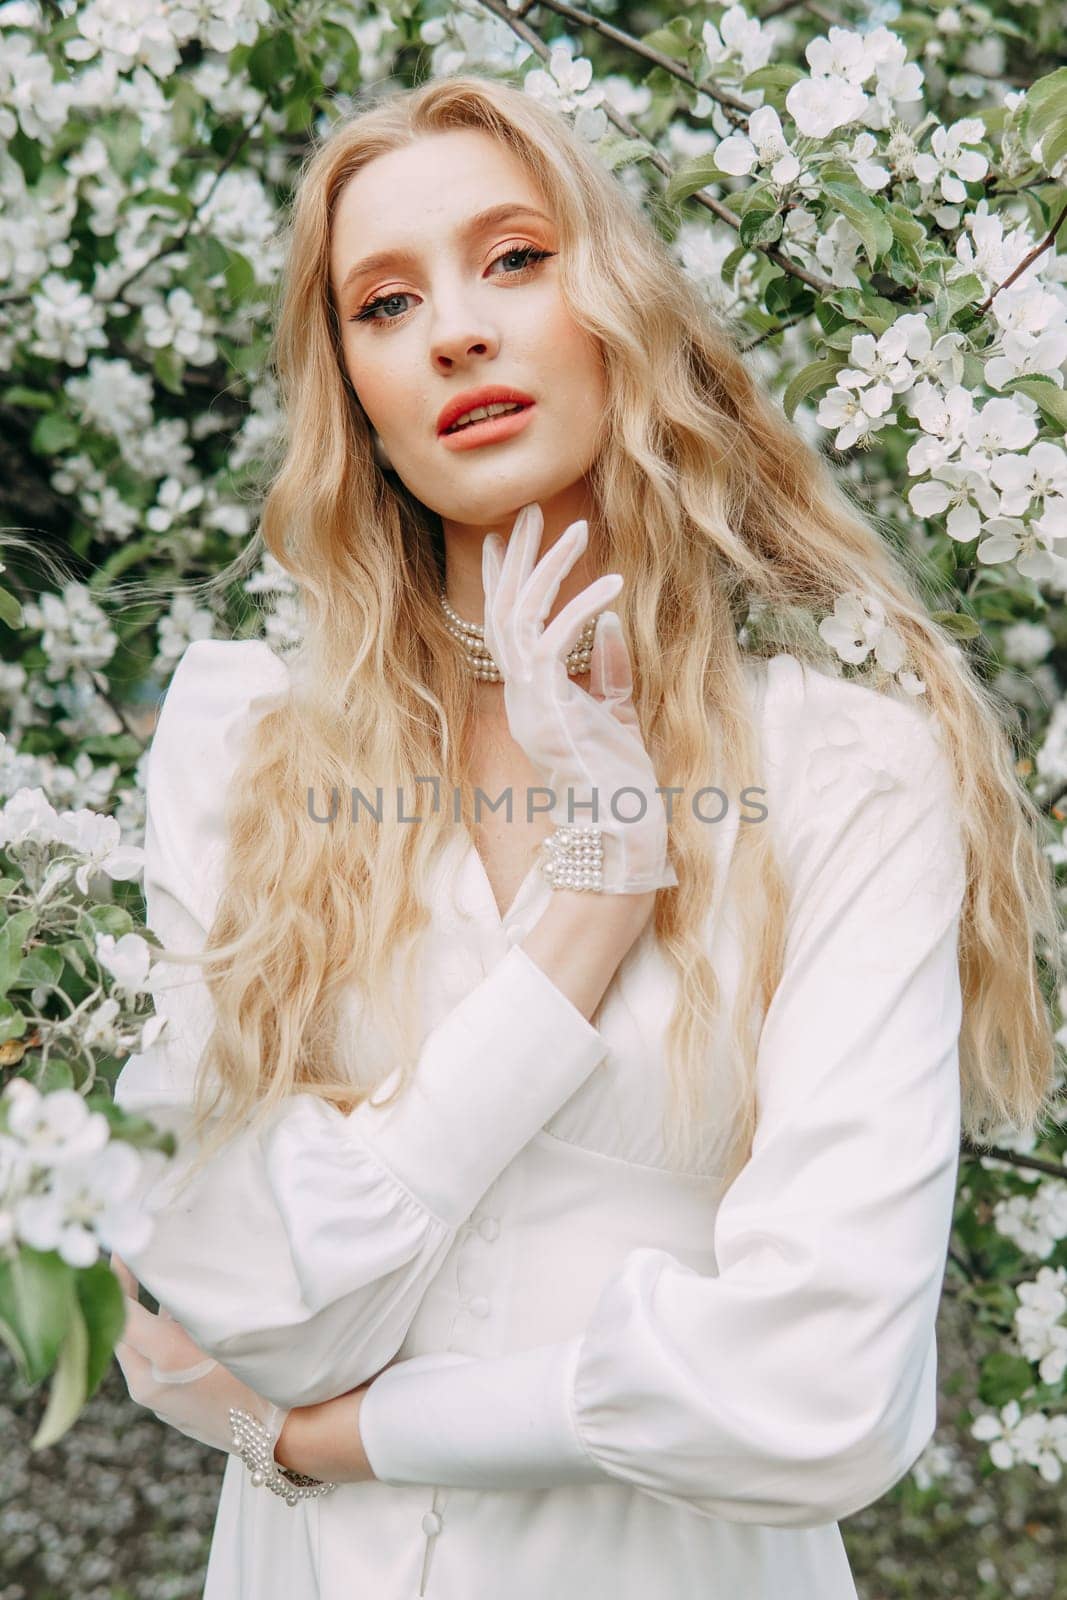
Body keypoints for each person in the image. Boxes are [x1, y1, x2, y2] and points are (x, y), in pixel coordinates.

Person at [110, 72, 1060, 1600]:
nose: (456, 331)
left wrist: (334, 1436)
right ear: (351, 384)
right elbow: (217, 1307)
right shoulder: (246, 742)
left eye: (515, 258)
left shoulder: (844, 772)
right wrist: (592, 908)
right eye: (384, 301)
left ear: (620, 305)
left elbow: (820, 1391)